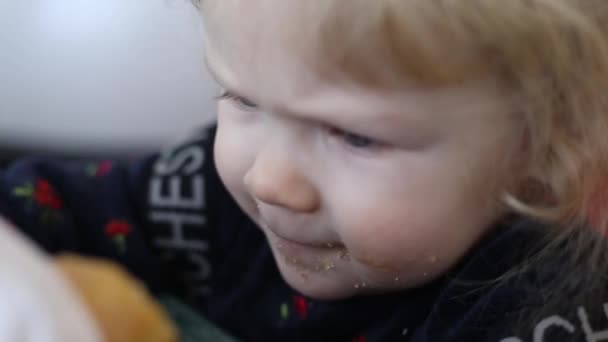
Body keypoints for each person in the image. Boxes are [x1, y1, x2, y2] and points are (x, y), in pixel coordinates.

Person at [2, 0, 608, 340]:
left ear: (547, 151)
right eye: (244, 100)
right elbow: (39, 203)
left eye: (355, 136)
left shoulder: (547, 305)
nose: (270, 179)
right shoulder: (209, 199)